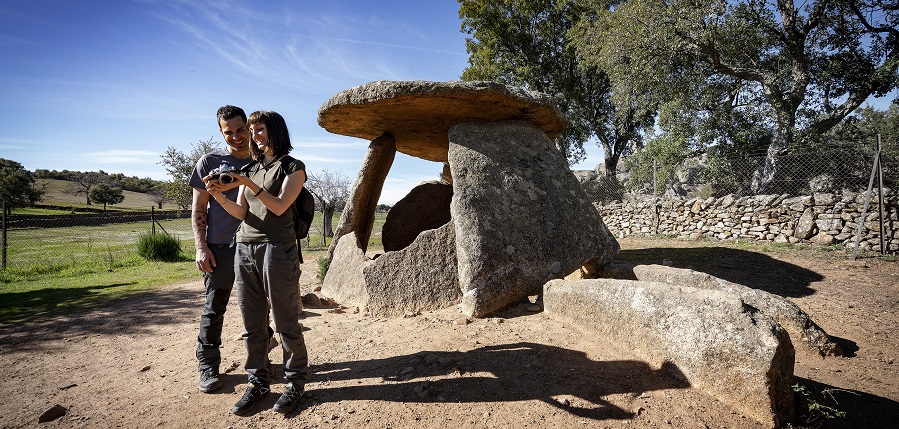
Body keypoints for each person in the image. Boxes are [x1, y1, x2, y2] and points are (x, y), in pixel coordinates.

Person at [206, 110, 309, 416]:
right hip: (244, 248)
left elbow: (278, 207)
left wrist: (248, 184)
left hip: (278, 249)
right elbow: (241, 214)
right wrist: (220, 196)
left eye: (260, 129)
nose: (255, 135)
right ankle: (258, 382)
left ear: (274, 130)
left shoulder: (293, 167)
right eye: (252, 131)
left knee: (285, 322)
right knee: (253, 324)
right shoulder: (249, 168)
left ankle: (295, 384)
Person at [189, 105, 276, 394]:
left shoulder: (262, 159)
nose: (237, 137)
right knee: (215, 307)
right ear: (220, 132)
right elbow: (199, 208)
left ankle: (262, 361)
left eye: (241, 130)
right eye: (229, 132)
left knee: (260, 307)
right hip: (220, 245)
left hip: (255, 243)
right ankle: (208, 365)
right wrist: (201, 247)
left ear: (248, 128)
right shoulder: (208, 161)